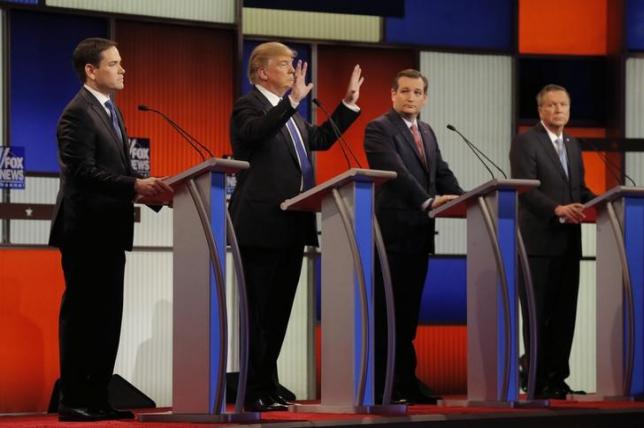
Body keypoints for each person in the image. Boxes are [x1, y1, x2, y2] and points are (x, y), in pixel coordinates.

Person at [229, 41, 363, 412]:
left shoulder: (292, 116)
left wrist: (348, 103)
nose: (293, 70)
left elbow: (319, 139)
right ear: (261, 72)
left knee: (278, 311)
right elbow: (254, 134)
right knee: (258, 312)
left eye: (293, 64)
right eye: (285, 65)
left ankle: (268, 383)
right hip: (260, 224)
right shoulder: (249, 107)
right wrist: (291, 102)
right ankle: (253, 386)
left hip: (292, 224)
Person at [49, 37, 172, 421]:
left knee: (107, 319)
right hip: (85, 232)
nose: (123, 69)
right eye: (115, 63)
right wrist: (135, 186)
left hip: (109, 230)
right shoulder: (77, 113)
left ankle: (98, 398)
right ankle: (74, 399)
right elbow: (82, 172)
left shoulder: (110, 111)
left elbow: (115, 172)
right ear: (91, 69)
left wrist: (156, 193)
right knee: (84, 317)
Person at [364, 69, 462, 404]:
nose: (411, 97)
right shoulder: (379, 128)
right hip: (390, 235)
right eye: (404, 91)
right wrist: (428, 200)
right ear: (392, 94)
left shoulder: (429, 132)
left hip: (419, 235)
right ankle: (383, 383)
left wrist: (466, 199)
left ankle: (405, 379)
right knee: (387, 313)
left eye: (417, 92)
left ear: (425, 98)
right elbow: (397, 174)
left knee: (408, 315)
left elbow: (442, 172)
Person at [510, 84, 595, 400]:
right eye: (552, 105)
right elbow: (526, 189)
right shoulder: (526, 142)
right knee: (539, 314)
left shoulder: (573, 144)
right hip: (538, 243)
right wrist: (556, 209)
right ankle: (535, 379)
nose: (559, 110)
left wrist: (604, 201)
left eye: (564, 105)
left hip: (569, 243)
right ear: (541, 110)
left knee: (563, 315)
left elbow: (579, 189)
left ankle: (558, 378)